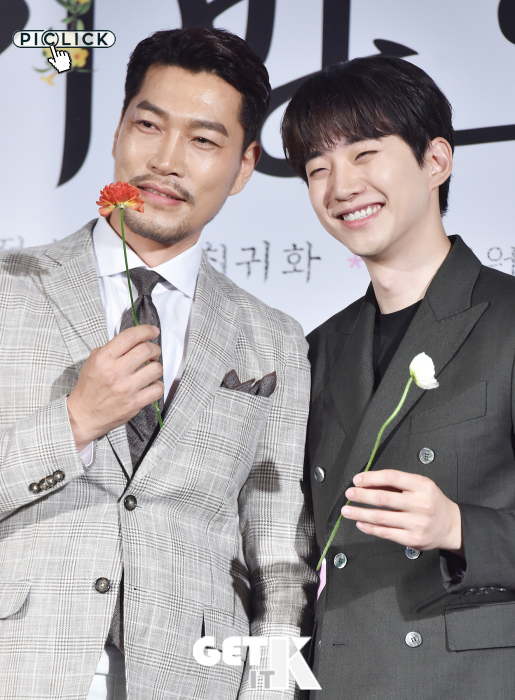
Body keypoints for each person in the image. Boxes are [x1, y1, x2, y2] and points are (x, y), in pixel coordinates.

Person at [0, 28, 317, 700]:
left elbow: (280, 561)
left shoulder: (273, 340)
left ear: (244, 167)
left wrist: (267, 692)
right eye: (149, 125)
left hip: (193, 680)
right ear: (118, 131)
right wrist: (74, 423)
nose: (166, 161)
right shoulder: (10, 288)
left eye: (203, 140)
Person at [281, 55, 515, 699]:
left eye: (364, 153)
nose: (340, 186)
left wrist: (459, 528)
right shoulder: (315, 350)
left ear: (435, 160)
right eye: (317, 168)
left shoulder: (507, 319)